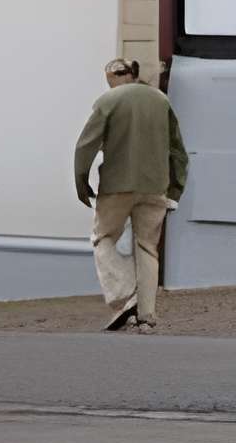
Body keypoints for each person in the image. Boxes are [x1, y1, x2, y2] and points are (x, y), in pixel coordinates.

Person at [73, 56, 187, 332]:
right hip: (155, 186)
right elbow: (177, 151)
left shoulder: (108, 101)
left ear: (113, 77)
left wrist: (82, 183)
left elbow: (85, 146)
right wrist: (175, 189)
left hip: (117, 185)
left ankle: (126, 298)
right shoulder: (161, 101)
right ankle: (147, 316)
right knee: (148, 248)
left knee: (103, 238)